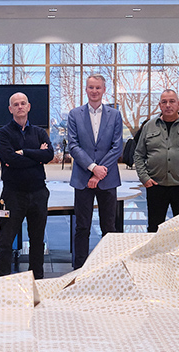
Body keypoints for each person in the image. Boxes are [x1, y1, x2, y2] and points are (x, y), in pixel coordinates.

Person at [66, 74, 123, 269]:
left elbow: (117, 146)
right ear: (86, 89)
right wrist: (93, 168)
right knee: (82, 227)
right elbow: (73, 146)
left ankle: (109, 268)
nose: (94, 91)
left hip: (108, 179)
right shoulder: (74, 114)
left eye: (98, 87)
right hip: (83, 178)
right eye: (91, 87)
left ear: (104, 90)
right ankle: (79, 270)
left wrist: (100, 172)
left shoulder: (115, 115)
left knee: (109, 228)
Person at [0, 92, 54, 279]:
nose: (20, 107)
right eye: (16, 104)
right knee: (5, 241)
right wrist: (37, 156)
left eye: (23, 103)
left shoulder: (39, 132)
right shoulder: (2, 133)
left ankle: (37, 280)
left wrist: (24, 152)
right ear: (10, 109)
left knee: (37, 241)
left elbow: (49, 155)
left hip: (38, 193)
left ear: (28, 107)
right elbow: (10, 159)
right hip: (12, 195)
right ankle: (3, 282)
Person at [134, 89, 179, 232]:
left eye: (172, 101)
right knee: (154, 228)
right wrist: (144, 178)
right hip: (156, 186)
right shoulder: (149, 126)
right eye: (164, 102)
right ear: (159, 105)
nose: (168, 105)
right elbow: (138, 155)